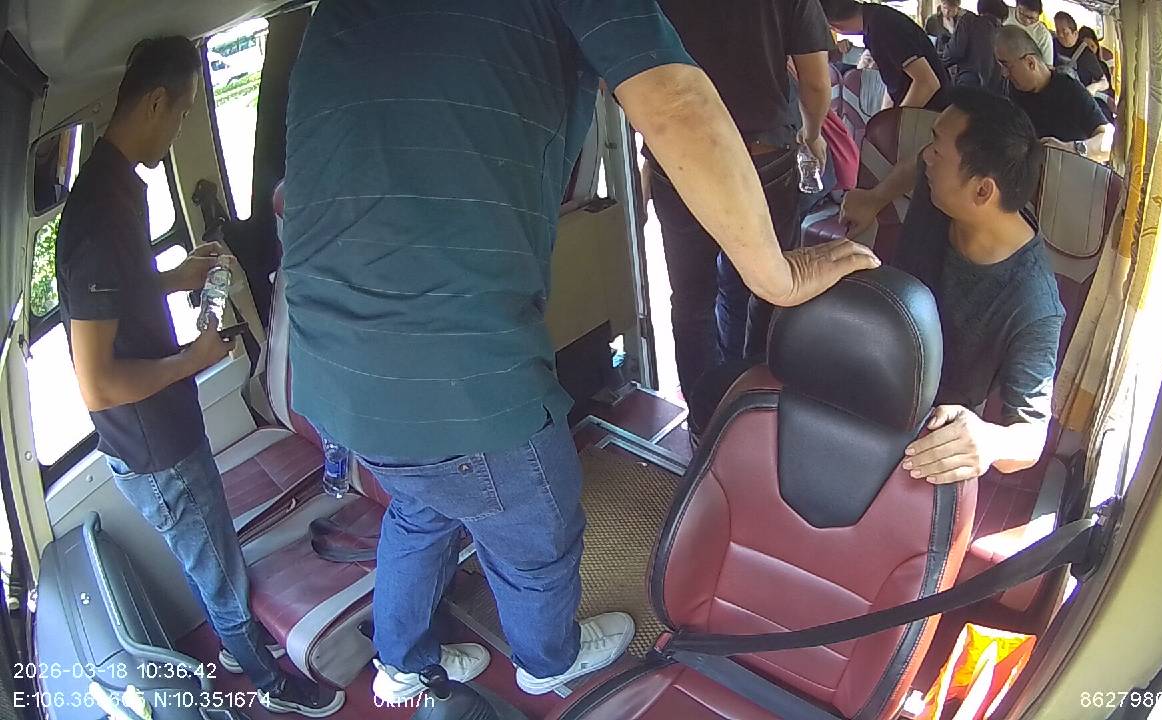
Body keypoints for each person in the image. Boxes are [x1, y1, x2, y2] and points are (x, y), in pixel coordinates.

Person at [283, 0, 879, 705]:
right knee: (537, 528)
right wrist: (776, 274)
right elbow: (675, 98)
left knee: (419, 504)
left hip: (328, 366)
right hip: (460, 377)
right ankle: (548, 659)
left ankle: (402, 661)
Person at [56, 37, 344, 717]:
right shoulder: (98, 216)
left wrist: (174, 277)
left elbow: (114, 291)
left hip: (161, 430)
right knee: (218, 572)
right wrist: (195, 359)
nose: (181, 125)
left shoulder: (115, 185)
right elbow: (97, 384)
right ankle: (270, 683)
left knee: (209, 558)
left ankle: (237, 645)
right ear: (156, 102)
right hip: (154, 446)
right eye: (184, 111)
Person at [838, 88, 1064, 484]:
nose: (928, 155)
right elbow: (917, 163)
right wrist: (876, 197)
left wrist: (989, 441)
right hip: (869, 355)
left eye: (938, 151)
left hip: (922, 428)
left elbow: (1030, 438)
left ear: (982, 190)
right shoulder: (943, 188)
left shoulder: (1033, 303)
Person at [653, 0, 836, 392]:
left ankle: (705, 411)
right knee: (770, 287)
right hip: (763, 156)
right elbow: (817, 82)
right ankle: (753, 401)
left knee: (691, 301)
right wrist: (812, 133)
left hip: (680, 159)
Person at [995, 25, 1114, 162]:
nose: (1004, 73)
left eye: (1007, 66)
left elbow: (1108, 141)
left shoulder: (1070, 90)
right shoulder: (1009, 90)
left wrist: (1070, 149)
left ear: (1030, 63)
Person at [821, 0, 952, 111]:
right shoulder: (875, 19)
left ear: (834, 27)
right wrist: (886, 113)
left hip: (930, 113)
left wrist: (896, 121)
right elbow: (895, 80)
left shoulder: (883, 27)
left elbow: (927, 83)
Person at [940, 0, 1005, 89]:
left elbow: (953, 53)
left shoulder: (969, 20)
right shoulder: (1003, 32)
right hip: (995, 88)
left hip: (969, 85)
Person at [1052, 12, 1110, 95]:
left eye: (1065, 32)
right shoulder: (1052, 44)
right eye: (1058, 31)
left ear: (1075, 34)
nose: (1060, 35)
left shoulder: (1086, 53)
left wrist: (1093, 87)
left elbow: (1105, 83)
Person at [1006, 0, 1056, 67]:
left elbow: (1048, 66)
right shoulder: (1004, 14)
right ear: (1017, 7)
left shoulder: (1043, 35)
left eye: (1033, 18)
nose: (1027, 21)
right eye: (1024, 15)